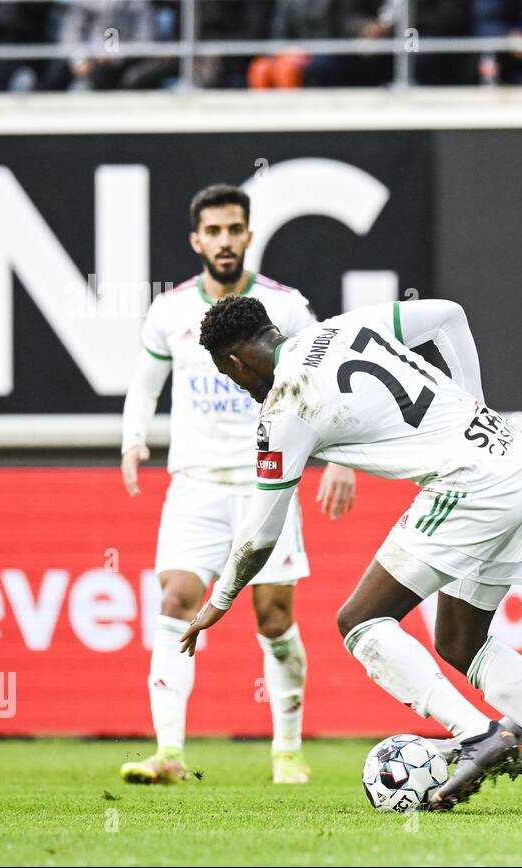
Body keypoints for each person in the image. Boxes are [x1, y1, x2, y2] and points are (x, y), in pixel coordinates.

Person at [178, 297, 522, 811]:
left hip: (472, 486)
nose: (240, 388)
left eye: (230, 376)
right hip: (517, 460)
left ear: (235, 363)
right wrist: (473, 408)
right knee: (462, 641)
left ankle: (478, 737)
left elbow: (260, 532)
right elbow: (450, 315)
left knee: (360, 621)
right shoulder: (341, 327)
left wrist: (222, 597)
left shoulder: (284, 406)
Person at [119, 183, 356, 786]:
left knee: (273, 617)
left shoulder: (286, 306)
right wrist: (133, 439)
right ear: (197, 240)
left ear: (249, 235)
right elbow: (145, 385)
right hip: (194, 482)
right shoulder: (169, 310)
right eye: (214, 232)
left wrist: (342, 459)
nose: (225, 241)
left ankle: (286, 749)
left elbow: (329, 378)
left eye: (235, 230)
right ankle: (168, 751)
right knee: (175, 600)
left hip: (268, 480)